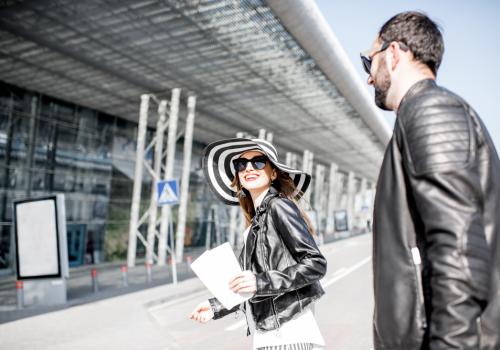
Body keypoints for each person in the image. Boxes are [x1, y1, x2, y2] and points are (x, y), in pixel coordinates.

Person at [361, 11, 500, 349]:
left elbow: (459, 251)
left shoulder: (429, 110)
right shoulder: (422, 112)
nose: (368, 78)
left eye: (369, 63)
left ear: (393, 54)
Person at [189, 138, 327, 350]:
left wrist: (260, 282)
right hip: (270, 334)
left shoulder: (278, 206)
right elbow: (248, 284)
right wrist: (215, 306)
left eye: (259, 162)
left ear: (273, 173)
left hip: (288, 333)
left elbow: (315, 263)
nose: (249, 168)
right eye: (241, 164)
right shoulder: (256, 222)